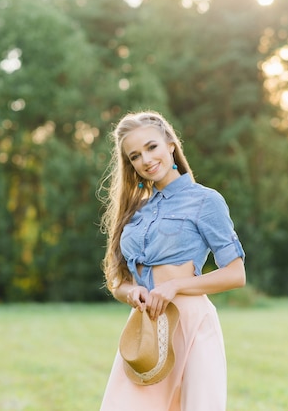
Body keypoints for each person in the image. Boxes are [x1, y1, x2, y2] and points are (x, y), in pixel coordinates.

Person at [98, 110, 246, 411]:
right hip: (145, 328)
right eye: (135, 156)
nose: (146, 160)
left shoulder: (205, 201)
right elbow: (119, 280)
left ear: (170, 144)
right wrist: (130, 292)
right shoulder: (133, 212)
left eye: (151, 147)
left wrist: (175, 286)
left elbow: (235, 274)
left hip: (190, 321)